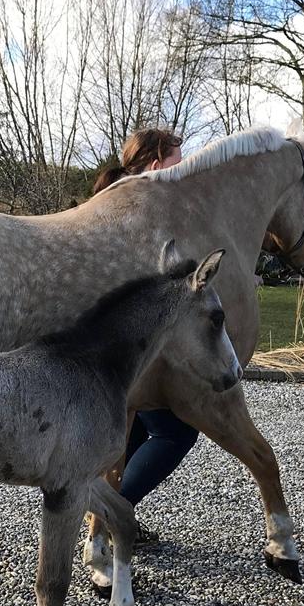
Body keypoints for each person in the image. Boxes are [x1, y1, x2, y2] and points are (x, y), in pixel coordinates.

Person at [92, 128, 197, 546]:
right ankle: (111, 513)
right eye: (177, 159)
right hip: (127, 350)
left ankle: (113, 511)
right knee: (175, 432)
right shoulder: (141, 207)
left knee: (133, 433)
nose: (183, 167)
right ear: (156, 164)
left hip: (115, 347)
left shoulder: (119, 199)